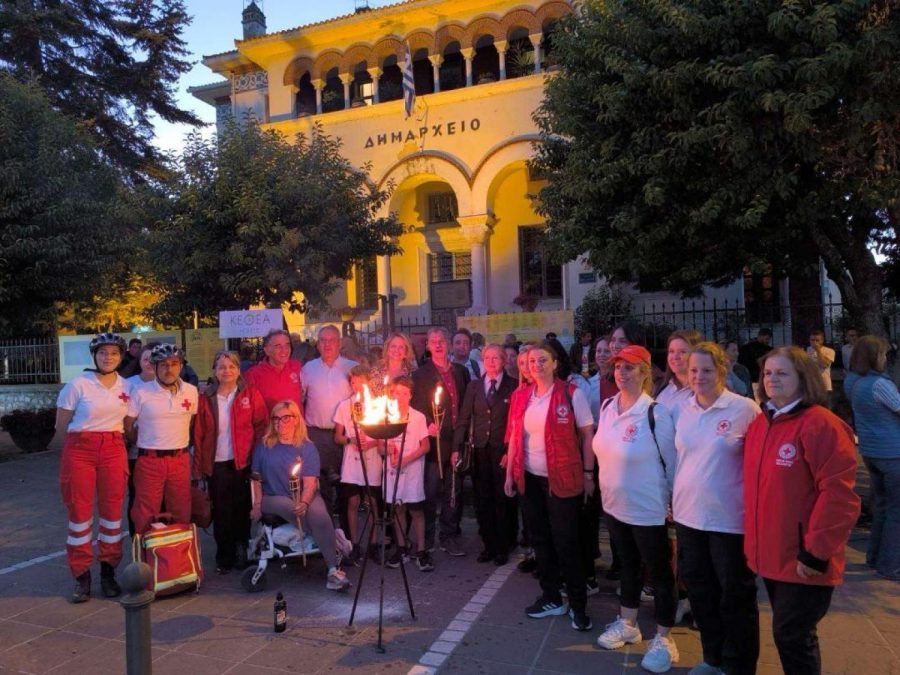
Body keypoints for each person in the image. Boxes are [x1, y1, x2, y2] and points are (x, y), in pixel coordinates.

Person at [744, 347, 860, 675]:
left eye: (782, 373)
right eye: (767, 373)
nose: (772, 379)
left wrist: (816, 551)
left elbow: (839, 495)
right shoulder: (761, 423)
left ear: (802, 378)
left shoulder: (821, 424)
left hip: (804, 557)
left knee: (792, 635)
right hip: (771, 553)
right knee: (790, 635)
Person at [674, 343, 761, 675]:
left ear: (722, 371)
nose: (699, 377)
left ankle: (739, 666)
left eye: (707, 370)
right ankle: (713, 657)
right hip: (688, 516)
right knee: (701, 592)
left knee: (735, 597)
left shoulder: (744, 410)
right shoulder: (683, 408)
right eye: (694, 370)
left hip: (728, 520)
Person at [592, 344, 679, 673]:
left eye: (629, 367)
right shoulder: (607, 406)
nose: (621, 373)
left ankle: (664, 637)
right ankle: (628, 624)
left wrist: (672, 501)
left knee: (659, 574)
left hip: (649, 509)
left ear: (645, 372)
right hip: (615, 507)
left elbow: (672, 464)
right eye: (618, 367)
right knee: (626, 566)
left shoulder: (655, 413)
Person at [504, 342, 595, 632]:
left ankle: (579, 605)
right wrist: (510, 474)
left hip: (563, 481)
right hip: (530, 479)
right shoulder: (522, 396)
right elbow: (517, 437)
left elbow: (586, 436)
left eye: (542, 360)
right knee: (540, 540)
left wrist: (589, 473)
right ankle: (551, 596)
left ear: (555, 363)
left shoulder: (571, 394)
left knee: (566, 542)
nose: (536, 366)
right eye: (531, 362)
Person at [55, 332, 131, 602]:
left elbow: (131, 422)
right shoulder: (79, 384)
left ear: (121, 356)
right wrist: (71, 451)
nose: (107, 357)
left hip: (113, 448)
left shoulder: (127, 386)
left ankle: (108, 573)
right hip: (80, 449)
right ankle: (81, 576)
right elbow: (61, 425)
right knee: (80, 515)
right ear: (94, 356)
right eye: (102, 353)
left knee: (112, 515)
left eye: (113, 353)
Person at [249, 400, 351, 591]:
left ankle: (333, 571)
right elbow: (256, 478)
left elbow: (310, 481)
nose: (281, 423)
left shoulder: (306, 447)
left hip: (303, 493)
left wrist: (304, 501)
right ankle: (332, 539)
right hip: (272, 497)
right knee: (288, 507)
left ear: (296, 420)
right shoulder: (264, 446)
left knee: (319, 515)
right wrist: (256, 505)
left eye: (286, 418)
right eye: (276, 419)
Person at [192, 351, 268, 574]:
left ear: (238, 370)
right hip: (215, 463)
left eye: (231, 366)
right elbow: (198, 435)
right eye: (222, 367)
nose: (227, 371)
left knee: (242, 509)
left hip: (242, 462)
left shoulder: (250, 394)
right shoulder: (205, 398)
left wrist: (256, 460)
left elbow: (261, 427)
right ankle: (223, 555)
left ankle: (242, 550)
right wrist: (197, 469)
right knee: (221, 511)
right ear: (215, 371)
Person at [455, 344, 518, 565]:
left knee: (502, 499)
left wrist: (510, 450)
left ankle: (503, 546)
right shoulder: (474, 387)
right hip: (480, 450)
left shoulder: (513, 386)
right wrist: (456, 448)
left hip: (501, 451)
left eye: (496, 358)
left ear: (504, 361)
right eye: (488, 358)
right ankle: (488, 545)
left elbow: (516, 423)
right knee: (482, 500)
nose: (492, 362)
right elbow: (464, 419)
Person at [126, 344, 199, 535]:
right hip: (150, 460)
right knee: (145, 513)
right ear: (155, 367)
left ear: (181, 366)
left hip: (180, 460)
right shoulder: (141, 392)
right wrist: (143, 442)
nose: (169, 369)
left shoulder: (191, 391)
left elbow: (190, 422)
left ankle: (180, 558)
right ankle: (144, 560)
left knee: (182, 510)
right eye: (163, 364)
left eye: (174, 364)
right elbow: (128, 425)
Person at [411, 327, 470, 560]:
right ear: (427, 346)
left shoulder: (461, 372)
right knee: (430, 490)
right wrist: (427, 423)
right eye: (433, 341)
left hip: (456, 440)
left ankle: (449, 534)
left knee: (453, 491)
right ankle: (426, 538)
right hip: (435, 441)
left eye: (442, 340)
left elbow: (466, 403)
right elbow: (415, 407)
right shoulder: (420, 374)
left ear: (448, 344)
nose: (437, 344)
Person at [845, 335, 900, 580]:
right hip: (893, 452)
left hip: (870, 451)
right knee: (896, 511)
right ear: (874, 357)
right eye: (883, 354)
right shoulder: (880, 385)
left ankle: (874, 558)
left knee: (883, 507)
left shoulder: (852, 381)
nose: (886, 358)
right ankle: (891, 566)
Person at [302, 325, 357, 529]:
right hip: (317, 435)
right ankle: (325, 534)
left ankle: (347, 536)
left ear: (339, 343)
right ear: (317, 344)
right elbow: (300, 398)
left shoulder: (352, 368)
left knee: (346, 485)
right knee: (321, 485)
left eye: (332, 340)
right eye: (323, 340)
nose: (327, 344)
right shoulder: (308, 369)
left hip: (345, 435)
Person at [333, 365, 383, 564]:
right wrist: (350, 441)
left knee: (371, 502)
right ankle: (354, 544)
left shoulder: (378, 404)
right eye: (353, 382)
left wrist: (372, 442)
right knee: (352, 501)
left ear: (368, 382)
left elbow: (384, 434)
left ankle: (372, 542)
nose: (356, 385)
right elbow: (338, 436)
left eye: (360, 381)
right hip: (352, 459)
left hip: (372, 457)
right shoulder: (345, 406)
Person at [382, 376, 432, 570]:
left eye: (404, 393)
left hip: (412, 470)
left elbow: (425, 446)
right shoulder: (385, 417)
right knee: (398, 509)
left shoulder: (417, 417)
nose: (400, 397)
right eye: (396, 393)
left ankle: (421, 550)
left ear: (410, 395)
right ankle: (401, 548)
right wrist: (391, 452)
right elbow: (381, 446)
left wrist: (406, 459)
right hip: (393, 471)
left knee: (416, 510)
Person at [124, 344, 156, 534]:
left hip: (160, 453)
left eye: (154, 359)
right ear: (140, 361)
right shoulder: (130, 385)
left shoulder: (168, 383)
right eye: (146, 359)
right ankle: (137, 540)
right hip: (136, 454)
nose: (150, 363)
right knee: (137, 499)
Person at [244, 329, 303, 412]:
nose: (284, 350)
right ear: (267, 350)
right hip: (269, 424)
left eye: (287, 345)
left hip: (296, 423)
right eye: (278, 346)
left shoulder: (297, 366)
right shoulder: (253, 375)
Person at [655, 329, 702, 422]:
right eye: (671, 351)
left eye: (682, 352)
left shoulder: (704, 392)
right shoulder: (661, 387)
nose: (675, 357)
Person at [370, 332, 417, 396]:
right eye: (393, 346)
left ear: (406, 351)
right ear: (387, 349)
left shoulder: (413, 372)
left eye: (401, 347)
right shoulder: (376, 372)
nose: (396, 350)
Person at [807, 330, 836, 406]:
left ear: (822, 341)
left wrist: (818, 351)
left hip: (824, 385)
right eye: (812, 340)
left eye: (817, 340)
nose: (815, 342)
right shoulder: (807, 350)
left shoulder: (829, 351)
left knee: (825, 408)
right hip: (812, 385)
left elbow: (824, 365)